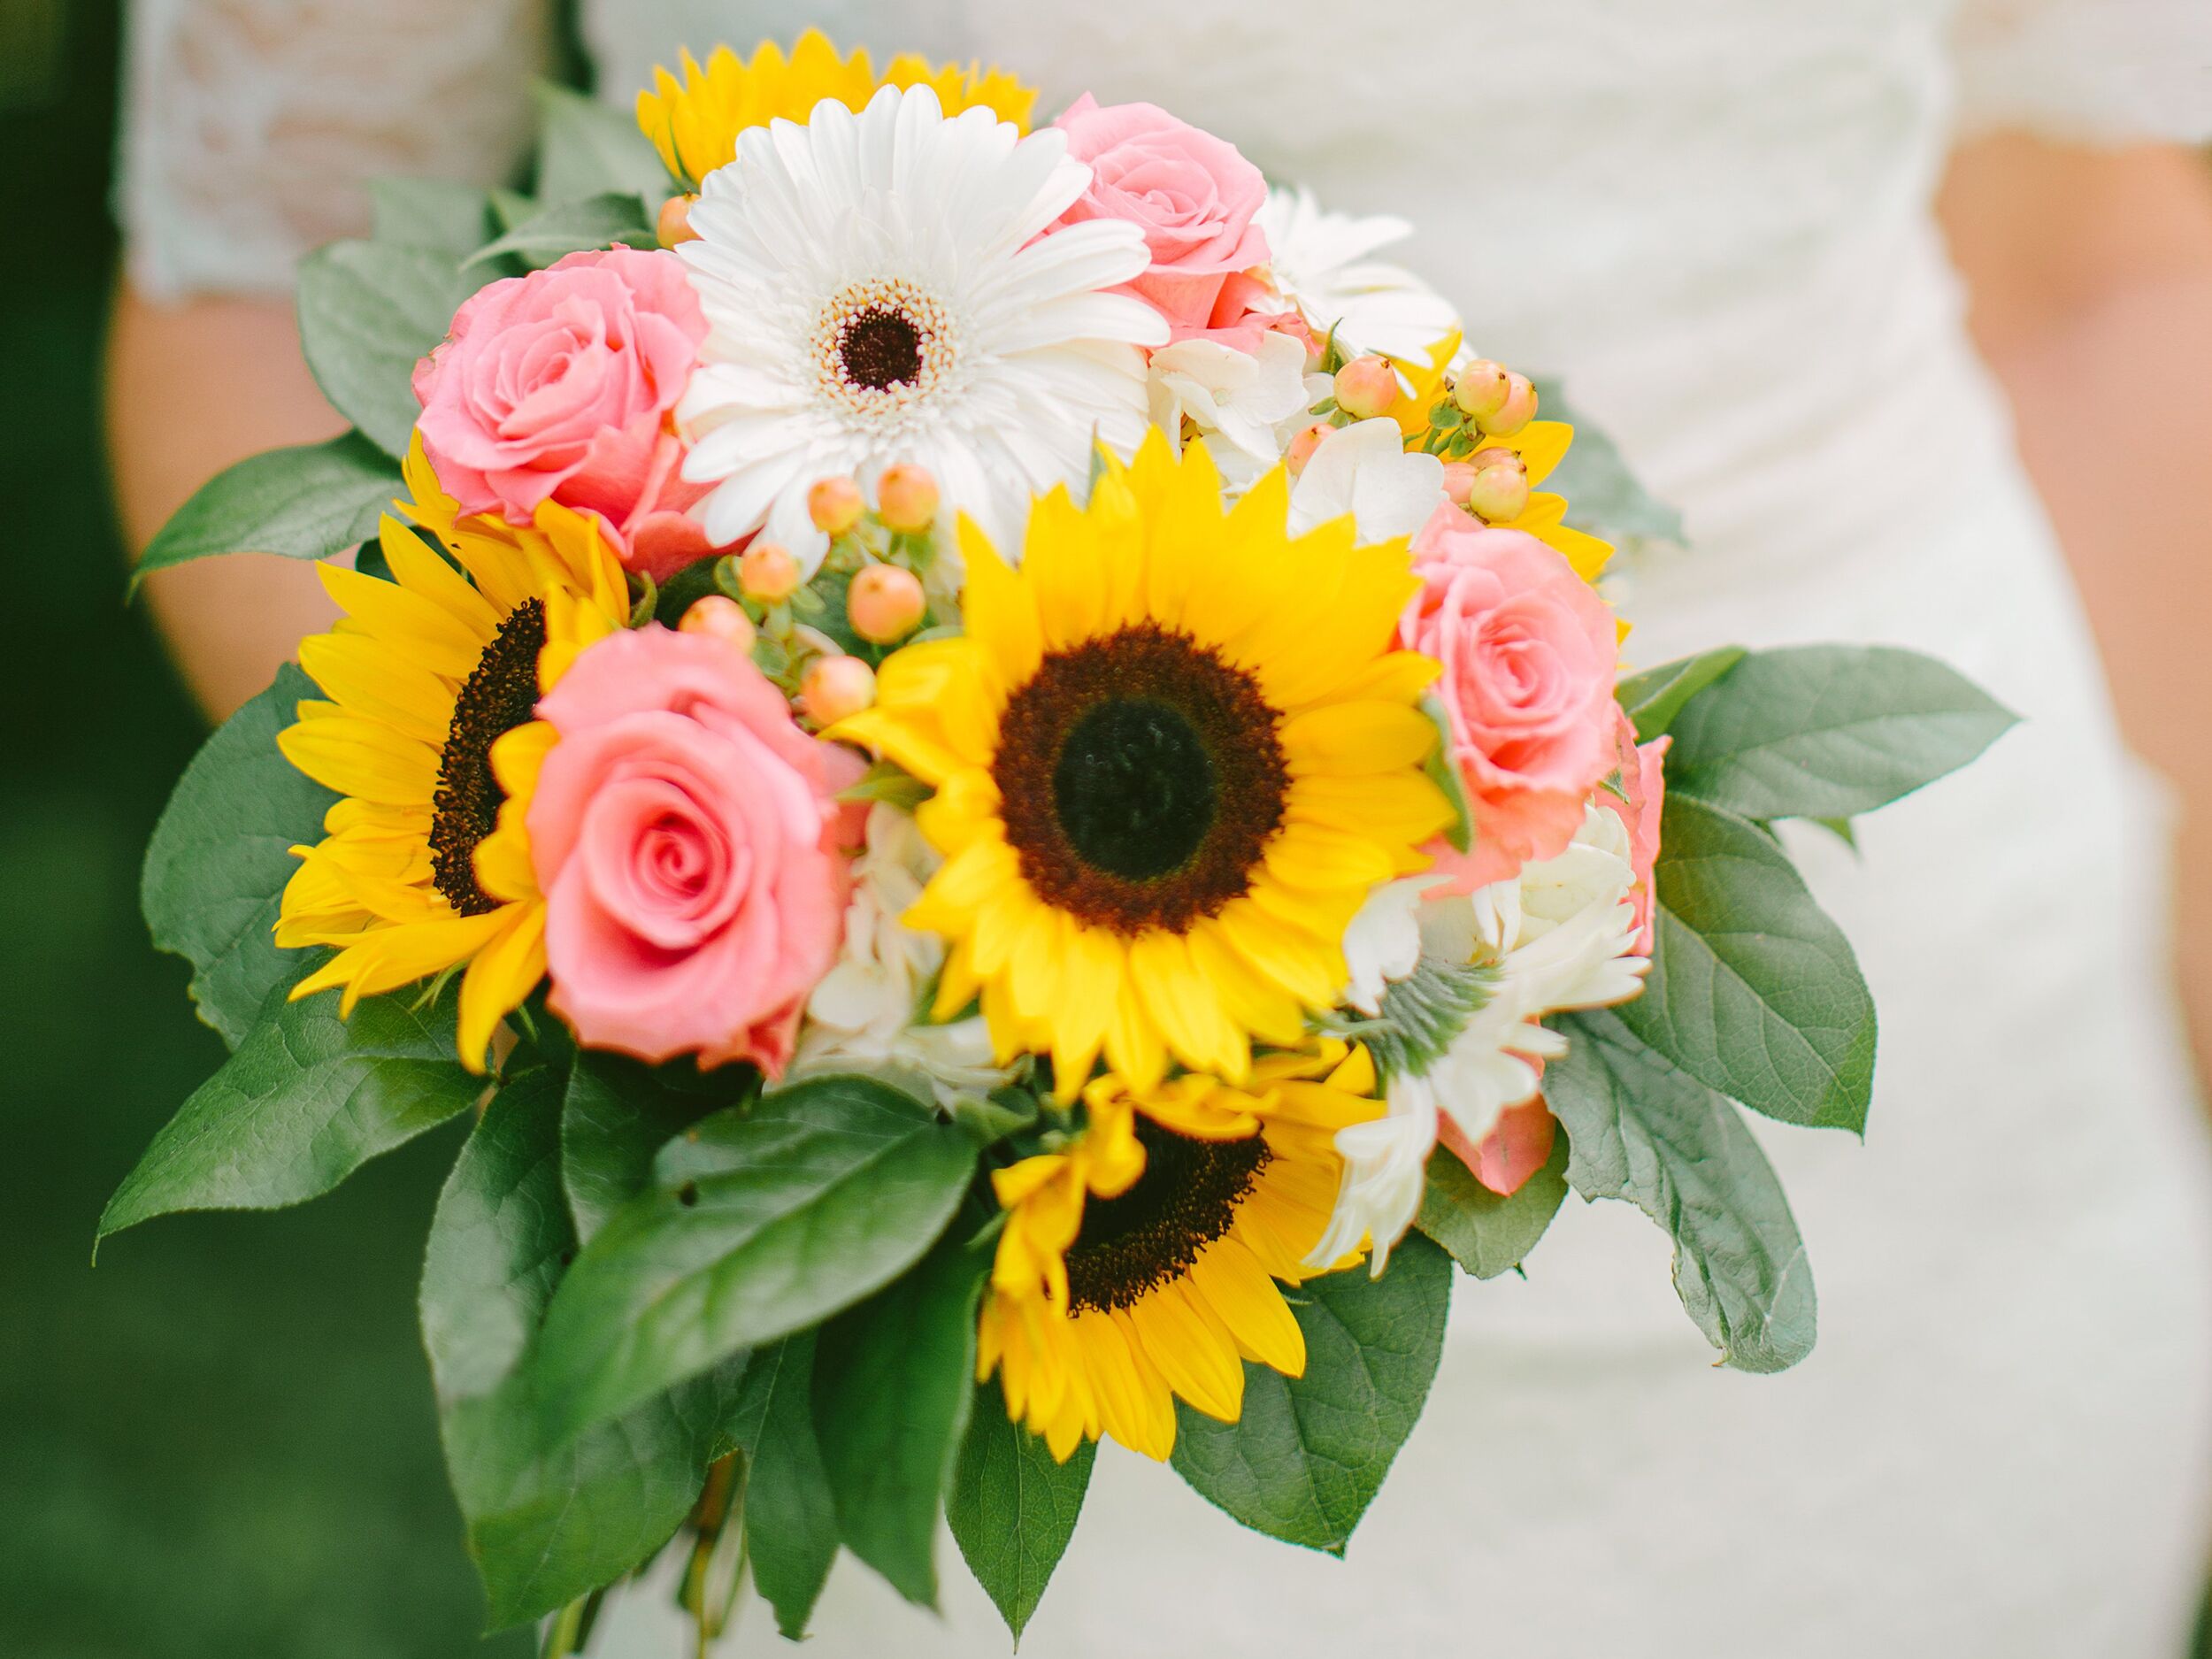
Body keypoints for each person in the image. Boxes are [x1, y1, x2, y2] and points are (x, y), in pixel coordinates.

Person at [106, 1, 2212, 1652]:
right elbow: (257, 284)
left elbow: (2092, 265)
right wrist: (763, 914)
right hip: (965, 1231)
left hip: (1944, 1126)